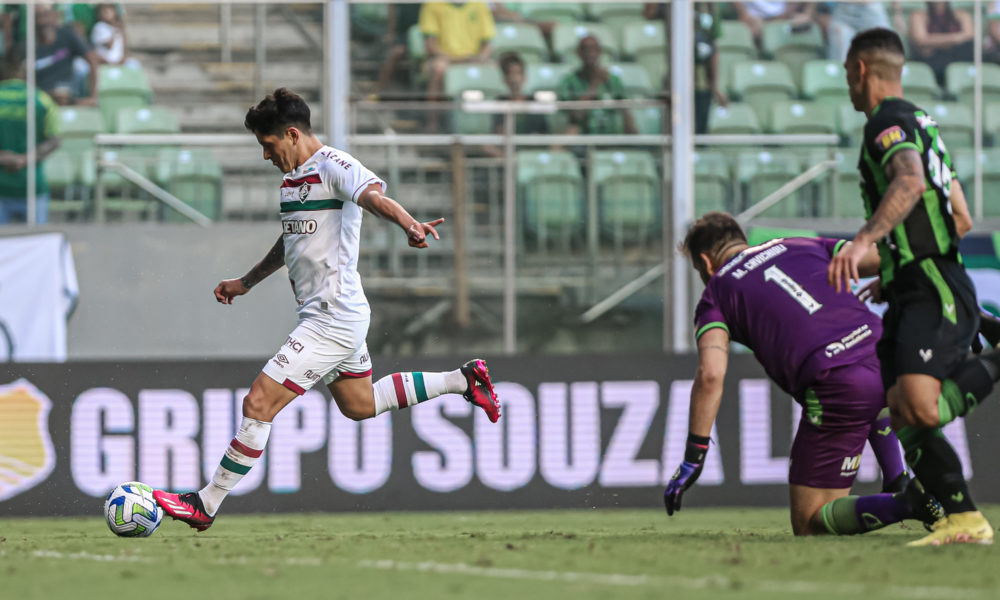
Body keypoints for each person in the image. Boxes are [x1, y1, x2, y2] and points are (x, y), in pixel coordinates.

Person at [152, 88, 502, 531]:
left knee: (259, 401)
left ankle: (206, 502)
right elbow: (290, 241)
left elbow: (373, 195)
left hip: (333, 318)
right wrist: (246, 282)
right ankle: (462, 379)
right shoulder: (291, 181)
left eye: (268, 146)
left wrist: (408, 223)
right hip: (332, 316)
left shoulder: (334, 165)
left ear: (292, 134)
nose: (265, 157)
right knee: (359, 404)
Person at [664, 212, 943, 536]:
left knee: (810, 521)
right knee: (873, 382)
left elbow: (710, 374)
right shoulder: (801, 244)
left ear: (706, 262)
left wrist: (693, 456)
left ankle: (909, 501)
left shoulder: (716, 293)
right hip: (891, 356)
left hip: (837, 380)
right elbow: (885, 258)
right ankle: (898, 478)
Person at [829, 27, 1000, 546]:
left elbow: (908, 182)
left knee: (920, 406)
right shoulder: (923, 123)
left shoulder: (887, 123)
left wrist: (864, 241)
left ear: (860, 69)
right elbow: (961, 215)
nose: (847, 86)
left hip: (931, 283)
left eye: (846, 74)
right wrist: (896, 263)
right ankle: (962, 519)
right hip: (912, 281)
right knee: (899, 406)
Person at [0, 46, 61, 225]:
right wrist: (25, 159)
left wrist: (5, 158)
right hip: (33, 185)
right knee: (36, 246)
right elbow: (54, 141)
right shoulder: (42, 100)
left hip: (2, 186)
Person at [418, 2, 496, 132]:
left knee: (496, 71)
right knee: (438, 70)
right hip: (445, 58)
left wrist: (481, 58)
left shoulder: (480, 4)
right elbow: (430, 45)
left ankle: (496, 126)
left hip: (473, 58)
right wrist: (453, 58)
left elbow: (487, 43)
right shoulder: (432, 4)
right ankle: (432, 123)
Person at [556, 35, 637, 136]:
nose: (590, 53)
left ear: (600, 52)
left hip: (612, 137)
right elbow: (576, 117)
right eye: (585, 49)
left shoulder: (613, 80)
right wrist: (594, 85)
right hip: (582, 140)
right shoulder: (569, 82)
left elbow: (626, 111)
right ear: (578, 53)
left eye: (594, 49)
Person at [34, 4, 100, 106]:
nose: (43, 21)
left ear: (54, 15)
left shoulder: (67, 35)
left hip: (68, 95)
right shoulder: (28, 45)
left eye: (45, 15)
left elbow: (92, 60)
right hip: (41, 99)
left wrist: (93, 97)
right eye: (38, 16)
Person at [908, 2, 973, 86]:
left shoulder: (962, 14)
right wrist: (955, 39)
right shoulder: (918, 15)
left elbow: (969, 36)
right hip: (932, 63)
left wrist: (934, 42)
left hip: (957, 58)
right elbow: (921, 40)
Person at [89, 3, 138, 68]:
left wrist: (122, 30)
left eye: (109, 11)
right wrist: (114, 33)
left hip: (119, 61)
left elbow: (124, 45)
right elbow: (109, 46)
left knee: (134, 64)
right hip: (105, 61)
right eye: (104, 12)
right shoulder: (99, 27)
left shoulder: (116, 28)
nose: (106, 14)